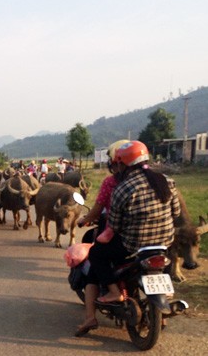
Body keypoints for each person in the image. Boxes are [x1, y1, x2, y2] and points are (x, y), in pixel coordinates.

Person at [76, 140, 180, 336]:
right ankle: (165, 295)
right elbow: (175, 213)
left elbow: (113, 226)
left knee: (97, 253)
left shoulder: (123, 187)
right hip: (164, 241)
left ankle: (114, 292)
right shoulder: (166, 180)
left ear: (123, 164)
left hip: (133, 245)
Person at [74, 139, 128, 336]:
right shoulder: (157, 180)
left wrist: (86, 219)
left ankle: (90, 317)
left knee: (94, 266)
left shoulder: (113, 183)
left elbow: (98, 209)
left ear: (116, 162)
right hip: (153, 241)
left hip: (120, 239)